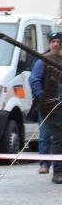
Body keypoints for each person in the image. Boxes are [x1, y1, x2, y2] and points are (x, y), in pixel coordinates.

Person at [29, 32, 62, 184]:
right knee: (55, 138)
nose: (56, 44)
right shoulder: (44, 60)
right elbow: (34, 79)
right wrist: (41, 96)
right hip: (52, 105)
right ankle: (56, 171)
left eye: (58, 41)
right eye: (53, 41)